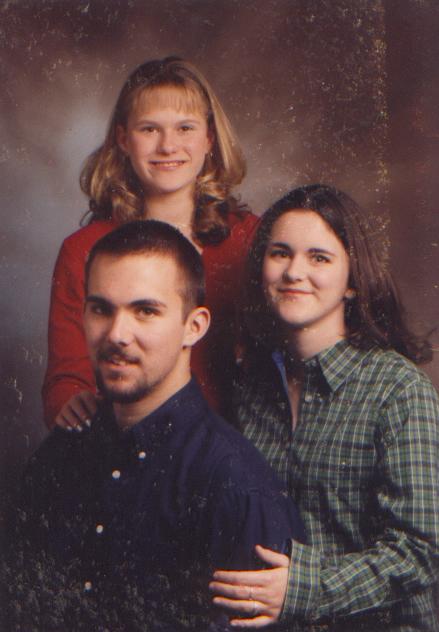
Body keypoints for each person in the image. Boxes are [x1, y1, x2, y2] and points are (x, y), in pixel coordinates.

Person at [6, 221, 304, 631]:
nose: (117, 334)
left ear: (194, 327)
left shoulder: (235, 484)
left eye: (145, 311)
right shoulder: (58, 456)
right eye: (101, 309)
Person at [209, 184, 439, 631]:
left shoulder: (397, 389)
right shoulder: (250, 387)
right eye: (280, 253)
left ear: (353, 283)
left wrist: (302, 590)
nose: (295, 271)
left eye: (319, 257)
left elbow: (421, 548)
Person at [42, 56, 258, 430]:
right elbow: (67, 376)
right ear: (124, 140)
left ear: (209, 139)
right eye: (149, 129)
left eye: (185, 128)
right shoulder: (83, 249)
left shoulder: (249, 237)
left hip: (232, 441)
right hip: (126, 441)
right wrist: (70, 399)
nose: (168, 146)